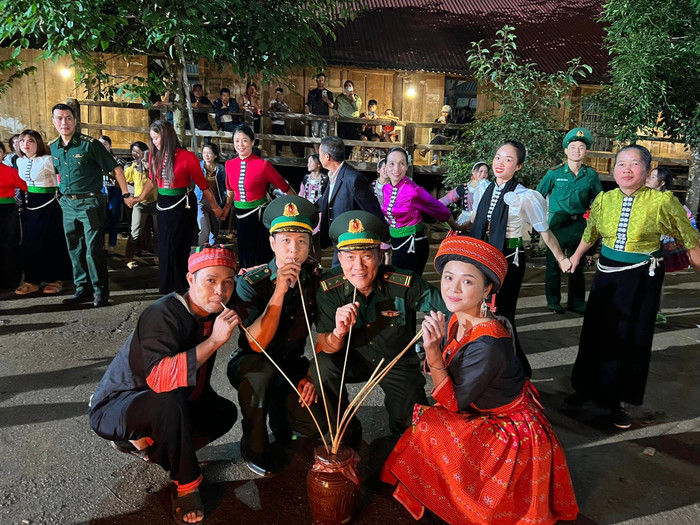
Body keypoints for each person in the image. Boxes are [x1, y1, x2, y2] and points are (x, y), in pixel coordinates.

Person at [381, 235, 579, 524]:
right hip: (477, 407)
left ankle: (460, 500)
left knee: (430, 426)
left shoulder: (488, 344)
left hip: (507, 426)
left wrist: (432, 350)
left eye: (467, 281)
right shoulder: (456, 317)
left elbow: (451, 402)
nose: (453, 289)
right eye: (448, 277)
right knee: (426, 424)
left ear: (487, 289)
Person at [88, 245, 241, 525]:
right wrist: (214, 341)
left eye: (228, 282)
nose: (220, 291)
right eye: (211, 280)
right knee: (168, 397)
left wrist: (278, 283)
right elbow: (160, 379)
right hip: (119, 406)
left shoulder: (214, 306)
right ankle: (186, 484)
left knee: (224, 413)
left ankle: (149, 446)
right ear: (190, 279)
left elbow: (254, 293)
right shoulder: (162, 313)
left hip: (176, 402)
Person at [566, 145, 700, 428]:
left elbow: (690, 238)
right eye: (621, 163)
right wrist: (576, 256)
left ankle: (618, 400)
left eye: (635, 164)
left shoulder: (662, 202)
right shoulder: (604, 199)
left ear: (647, 170)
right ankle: (586, 388)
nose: (626, 169)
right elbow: (591, 232)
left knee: (630, 337)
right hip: (606, 274)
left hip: (641, 277)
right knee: (595, 331)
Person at [312, 211, 446, 442]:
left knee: (411, 428)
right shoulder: (329, 289)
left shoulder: (403, 283)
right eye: (350, 257)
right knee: (322, 367)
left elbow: (449, 308)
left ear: (380, 255)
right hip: (351, 360)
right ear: (340, 258)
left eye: (367, 256)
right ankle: (344, 429)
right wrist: (338, 333)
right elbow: (325, 344)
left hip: (395, 361)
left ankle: (400, 444)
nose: (359, 266)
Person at [228, 196, 327, 477]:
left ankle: (280, 414)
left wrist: (313, 374)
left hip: (292, 363)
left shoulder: (314, 280)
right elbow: (255, 344)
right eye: (285, 241)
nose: (293, 250)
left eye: (301, 241)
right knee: (261, 374)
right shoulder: (252, 282)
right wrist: (280, 292)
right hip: (252, 362)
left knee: (319, 424)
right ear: (272, 244)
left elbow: (325, 334)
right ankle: (253, 445)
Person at [469, 140, 571, 376]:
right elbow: (475, 221)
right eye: (497, 157)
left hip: (509, 259)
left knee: (503, 315)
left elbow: (544, 231)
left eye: (508, 159)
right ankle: (486, 367)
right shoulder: (484, 189)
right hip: (483, 258)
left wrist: (561, 258)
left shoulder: (524, 196)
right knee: (480, 314)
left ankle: (517, 370)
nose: (500, 163)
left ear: (519, 166)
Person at [50, 103, 132, 307]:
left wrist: (125, 194)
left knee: (93, 249)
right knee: (74, 248)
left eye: (68, 118)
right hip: (67, 203)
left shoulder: (90, 144)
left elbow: (116, 169)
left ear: (75, 121)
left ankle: (100, 292)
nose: (64, 122)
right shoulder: (53, 147)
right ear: (53, 122)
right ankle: (82, 289)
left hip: (90, 202)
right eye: (59, 118)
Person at [148, 119, 223, 295]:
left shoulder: (187, 157)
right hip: (163, 205)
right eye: (152, 138)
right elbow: (152, 181)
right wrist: (138, 198)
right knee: (164, 246)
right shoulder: (153, 156)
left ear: (166, 136)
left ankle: (180, 285)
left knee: (178, 246)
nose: (154, 142)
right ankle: (166, 287)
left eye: (156, 138)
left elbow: (204, 187)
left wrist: (216, 208)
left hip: (183, 205)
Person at [537, 128, 603, 314]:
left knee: (577, 264)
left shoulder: (590, 175)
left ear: (586, 151)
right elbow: (537, 196)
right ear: (566, 150)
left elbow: (600, 200)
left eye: (581, 147)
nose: (576, 151)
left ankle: (577, 302)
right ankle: (553, 301)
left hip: (578, 225)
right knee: (553, 264)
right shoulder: (554, 173)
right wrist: (539, 221)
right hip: (557, 224)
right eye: (572, 147)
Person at [222, 124, 295, 268]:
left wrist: (295, 210)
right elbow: (230, 192)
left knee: (260, 256)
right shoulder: (229, 165)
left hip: (260, 217)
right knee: (244, 254)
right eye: (237, 141)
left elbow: (285, 188)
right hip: (240, 217)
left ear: (252, 142)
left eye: (244, 140)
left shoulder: (263, 165)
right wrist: (224, 210)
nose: (240, 144)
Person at [382, 147, 458, 275]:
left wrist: (456, 227)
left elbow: (440, 209)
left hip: (413, 244)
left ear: (407, 166)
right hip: (397, 242)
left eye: (401, 163)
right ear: (385, 166)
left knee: (409, 283)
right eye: (392, 163)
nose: (396, 168)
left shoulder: (414, 191)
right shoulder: (386, 189)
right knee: (398, 282)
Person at [14, 129, 71, 295]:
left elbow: (64, 176)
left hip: (50, 203)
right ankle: (32, 280)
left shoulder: (47, 160)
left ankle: (55, 279)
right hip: (31, 204)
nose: (25, 144)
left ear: (38, 143)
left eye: (30, 141)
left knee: (51, 241)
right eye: (22, 141)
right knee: (30, 242)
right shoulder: (19, 161)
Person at [317, 136, 383, 266]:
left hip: (353, 242)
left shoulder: (354, 179)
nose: (319, 157)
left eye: (320, 154)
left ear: (327, 157)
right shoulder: (331, 177)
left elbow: (372, 211)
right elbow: (323, 202)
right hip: (338, 240)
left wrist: (383, 237)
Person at [123, 141, 157, 270]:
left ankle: (158, 256)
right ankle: (128, 258)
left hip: (155, 203)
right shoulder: (134, 168)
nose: (146, 164)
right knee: (135, 232)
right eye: (133, 151)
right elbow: (124, 179)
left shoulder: (155, 171)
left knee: (157, 232)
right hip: (140, 204)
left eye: (138, 151)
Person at [0, 142, 27, 290]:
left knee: (9, 244)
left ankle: (11, 280)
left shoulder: (10, 171)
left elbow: (25, 186)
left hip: (8, 210)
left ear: (4, 154)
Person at [99, 135, 128, 256]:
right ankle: (100, 246)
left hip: (115, 191)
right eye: (100, 144)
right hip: (100, 191)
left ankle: (112, 245)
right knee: (99, 219)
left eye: (105, 144)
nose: (102, 146)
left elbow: (123, 177)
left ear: (110, 146)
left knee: (114, 218)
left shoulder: (118, 160)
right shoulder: (95, 159)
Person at [439, 161, 490, 227]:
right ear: (473, 172)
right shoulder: (463, 188)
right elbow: (444, 201)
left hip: (483, 221)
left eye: (486, 172)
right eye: (480, 171)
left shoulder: (489, 188)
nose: (483, 174)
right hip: (465, 222)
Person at [299, 154, 328, 262]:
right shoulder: (306, 178)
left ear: (318, 164)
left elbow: (326, 197)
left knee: (316, 241)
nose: (308, 164)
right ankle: (309, 263)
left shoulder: (325, 179)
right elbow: (302, 193)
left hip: (319, 213)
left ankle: (318, 263)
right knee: (307, 240)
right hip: (306, 212)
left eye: (311, 162)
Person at [196, 143, 226, 246]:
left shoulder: (220, 169)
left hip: (215, 203)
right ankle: (201, 252)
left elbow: (225, 186)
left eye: (209, 153)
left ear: (215, 155)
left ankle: (213, 253)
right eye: (204, 153)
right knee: (205, 230)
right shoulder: (198, 167)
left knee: (214, 232)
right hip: (201, 201)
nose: (206, 155)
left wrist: (225, 201)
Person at [305, 73, 334, 152]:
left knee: (324, 135)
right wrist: (309, 113)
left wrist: (327, 100)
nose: (321, 81)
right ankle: (317, 152)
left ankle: (323, 152)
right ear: (316, 80)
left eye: (322, 80)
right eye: (319, 80)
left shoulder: (329, 93)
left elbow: (332, 106)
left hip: (325, 117)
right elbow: (307, 104)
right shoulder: (312, 93)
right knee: (315, 135)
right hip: (315, 116)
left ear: (325, 81)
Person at [335, 79, 362, 158]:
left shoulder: (357, 97)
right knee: (341, 140)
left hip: (353, 122)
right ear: (344, 88)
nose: (348, 87)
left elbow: (357, 108)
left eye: (350, 86)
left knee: (351, 140)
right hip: (342, 121)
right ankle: (341, 157)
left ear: (353, 87)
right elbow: (335, 107)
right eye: (346, 86)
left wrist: (352, 96)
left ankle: (347, 157)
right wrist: (335, 113)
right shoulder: (340, 97)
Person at [269, 87, 291, 156]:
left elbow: (287, 112)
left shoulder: (285, 104)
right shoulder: (273, 102)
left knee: (281, 139)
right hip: (275, 123)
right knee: (276, 139)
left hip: (282, 124)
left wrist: (282, 113)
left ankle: (279, 152)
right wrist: (281, 113)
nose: (279, 96)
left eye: (280, 94)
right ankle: (276, 152)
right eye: (277, 94)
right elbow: (274, 112)